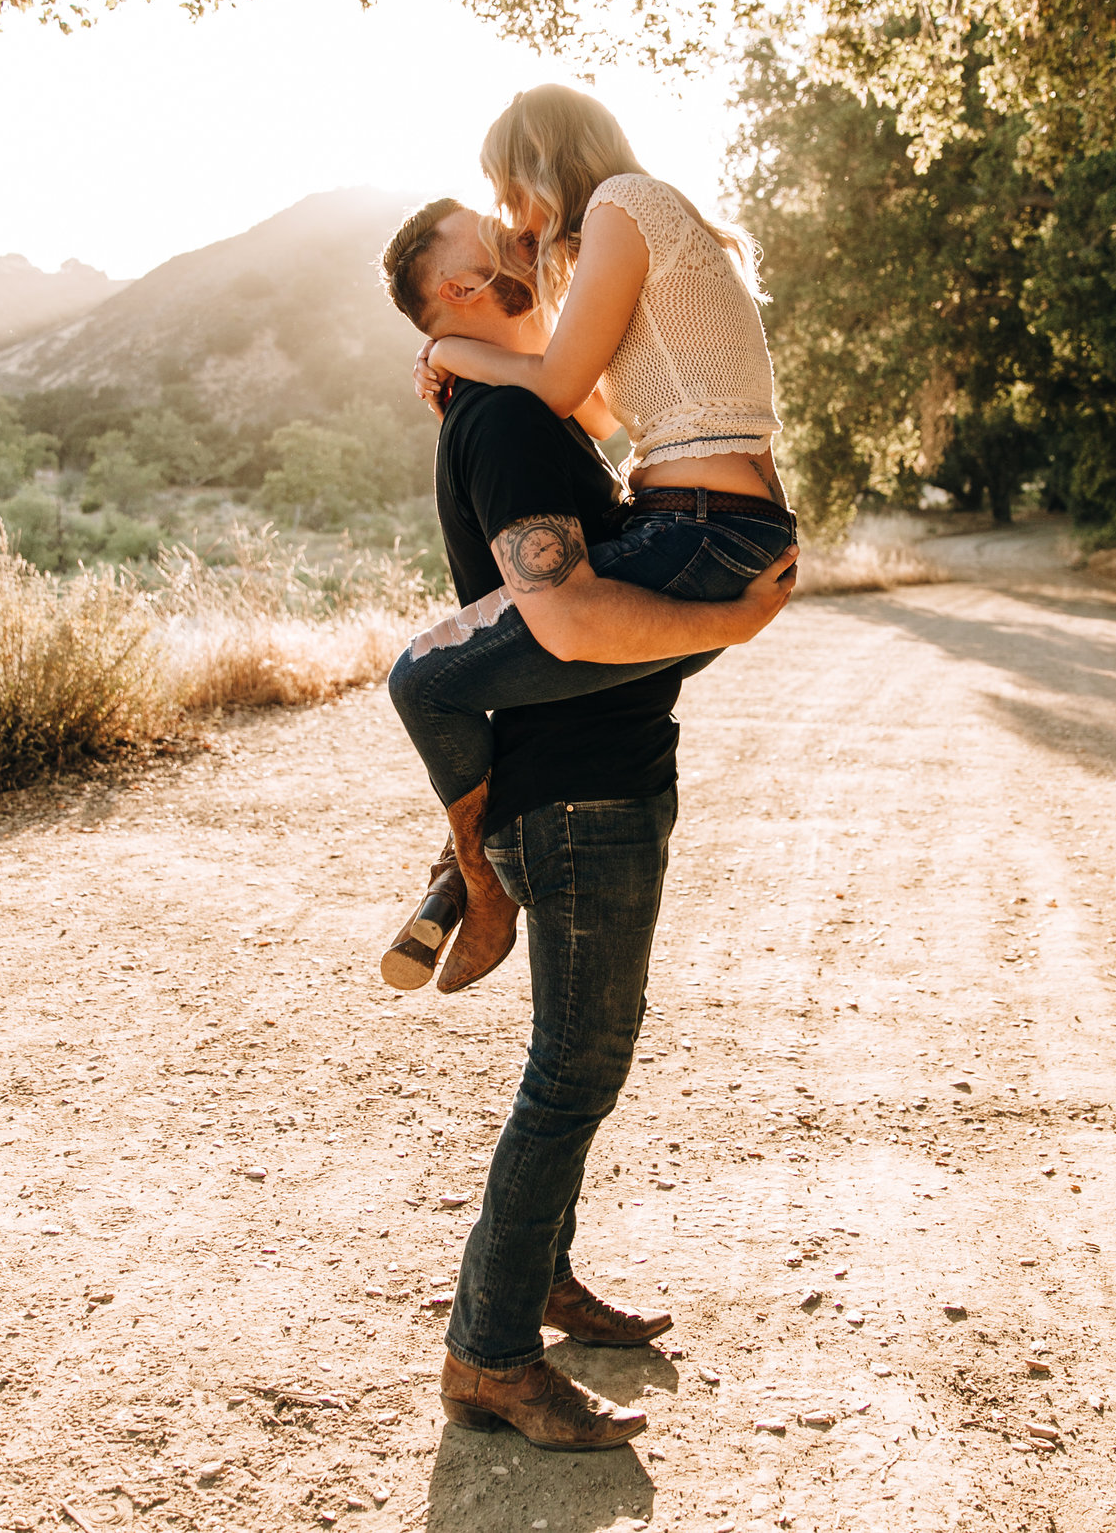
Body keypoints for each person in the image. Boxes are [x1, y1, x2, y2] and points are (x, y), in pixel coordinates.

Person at [375, 196, 797, 1449]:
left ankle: (540, 1280)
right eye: (482, 251)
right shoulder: (506, 423)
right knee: (573, 1070)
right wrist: (734, 620)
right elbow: (563, 617)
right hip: (579, 798)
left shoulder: (520, 400)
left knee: (574, 1065)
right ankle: (491, 1353)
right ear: (447, 298)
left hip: (592, 774)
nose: (513, 251)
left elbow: (604, 392)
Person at [379, 84, 796, 995]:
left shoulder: (621, 206)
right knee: (532, 656)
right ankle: (466, 868)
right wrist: (481, 346)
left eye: (507, 190)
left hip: (702, 530)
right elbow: (603, 406)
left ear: (539, 160)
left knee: (424, 680)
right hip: (704, 526)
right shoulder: (626, 220)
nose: (510, 218)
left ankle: (476, 871)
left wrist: (453, 351)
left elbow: (563, 385)